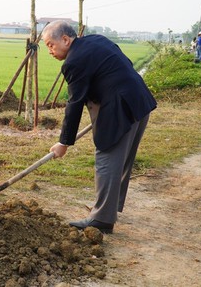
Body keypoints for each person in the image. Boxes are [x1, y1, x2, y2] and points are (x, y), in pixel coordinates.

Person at [41, 21, 157, 234]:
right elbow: (121, 65)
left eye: (50, 45)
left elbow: (74, 104)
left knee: (106, 158)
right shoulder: (96, 40)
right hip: (139, 99)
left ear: (65, 39)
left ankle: (102, 219)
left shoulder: (73, 62)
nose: (49, 51)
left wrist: (64, 142)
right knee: (122, 160)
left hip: (121, 107)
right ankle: (110, 207)